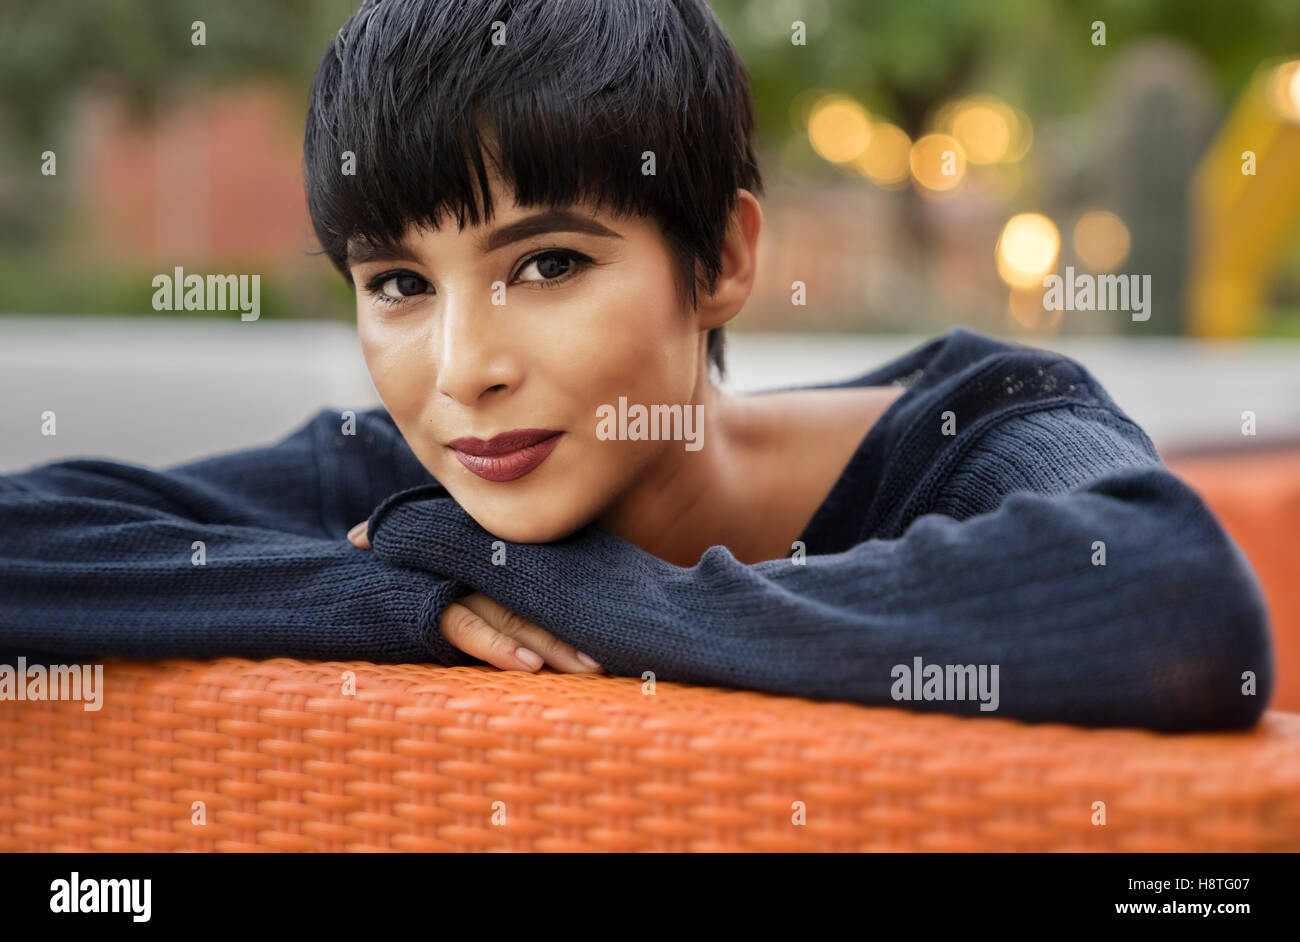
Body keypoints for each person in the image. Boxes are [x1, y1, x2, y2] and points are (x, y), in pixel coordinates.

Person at [0, 0, 1273, 731]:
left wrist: (569, 593)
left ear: (718, 255)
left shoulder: (982, 422)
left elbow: (1177, 611)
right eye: (398, 285)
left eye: (547, 263)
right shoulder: (412, 492)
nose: (464, 370)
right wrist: (376, 601)